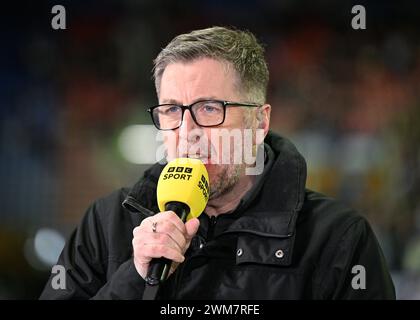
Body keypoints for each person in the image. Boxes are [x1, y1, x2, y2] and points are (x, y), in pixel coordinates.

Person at [40, 26, 395, 299]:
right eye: (172, 110)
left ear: (260, 122)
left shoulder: (337, 239)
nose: (187, 130)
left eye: (210, 108)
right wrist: (133, 279)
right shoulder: (108, 224)